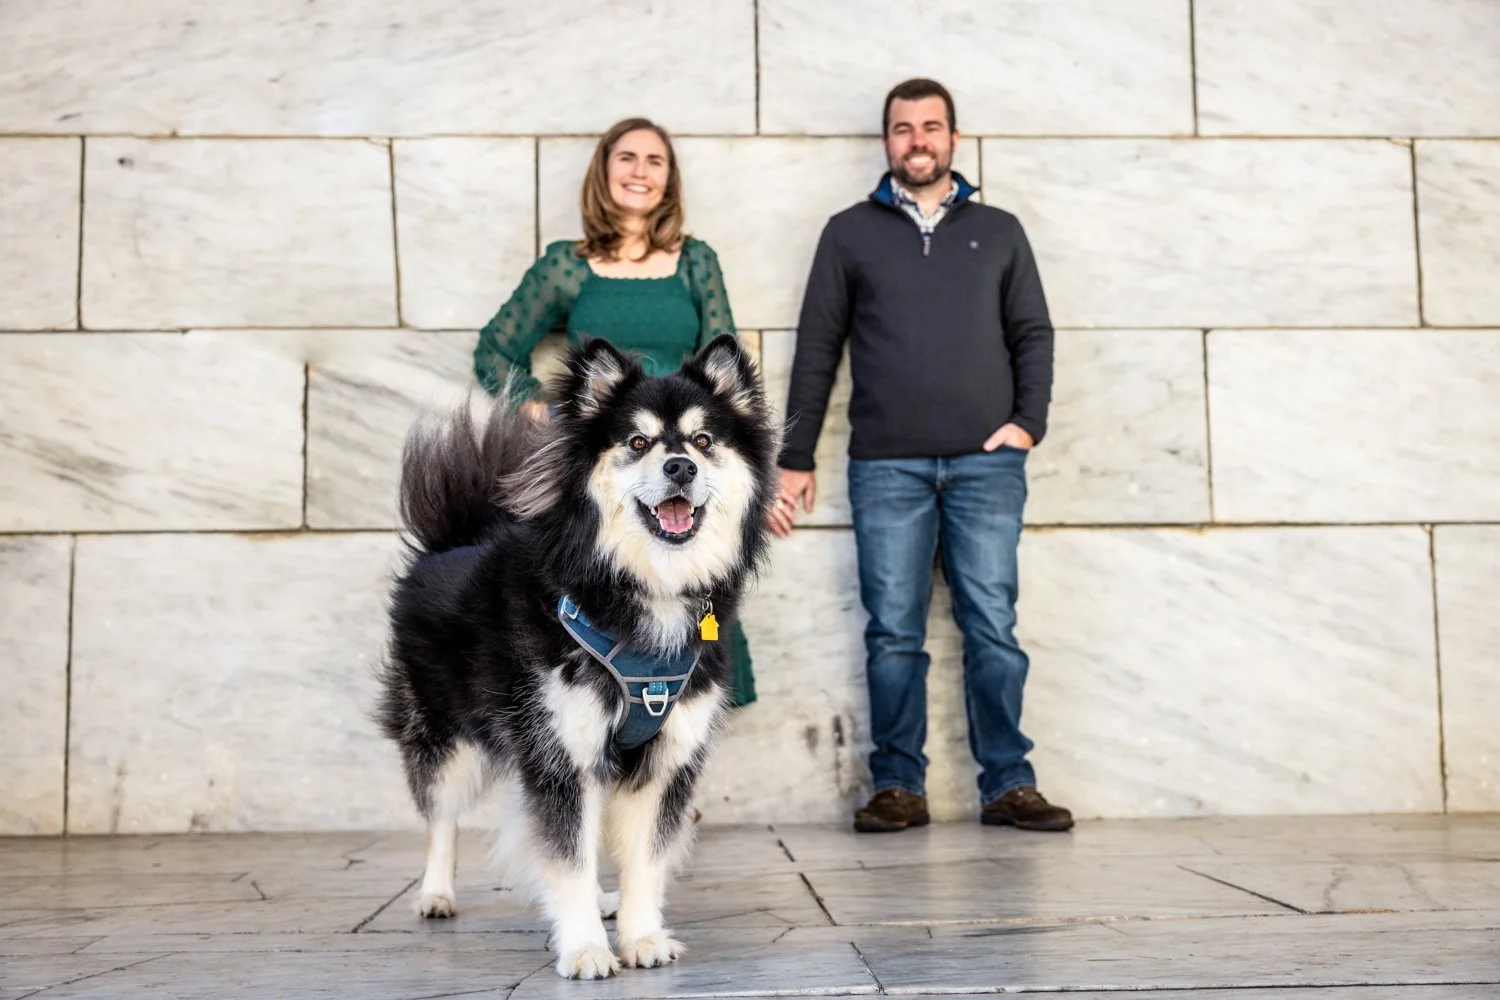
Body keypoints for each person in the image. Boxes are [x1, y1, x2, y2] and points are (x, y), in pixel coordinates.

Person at [768, 79, 1073, 834]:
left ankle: (1009, 785)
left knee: (992, 627)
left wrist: (1027, 422)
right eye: (903, 129)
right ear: (886, 143)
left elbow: (1033, 332)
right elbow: (818, 348)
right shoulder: (848, 234)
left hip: (986, 464)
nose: (918, 141)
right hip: (886, 467)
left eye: (931, 127)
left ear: (954, 140)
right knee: (893, 632)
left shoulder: (999, 229)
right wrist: (795, 454)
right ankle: (897, 786)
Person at [472, 117, 757, 714]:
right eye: (627, 158)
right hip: (617, 463)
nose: (640, 172)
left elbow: (732, 378)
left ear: (669, 180)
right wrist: (543, 411)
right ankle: (592, 748)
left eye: (655, 162)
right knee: (590, 603)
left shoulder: (695, 262)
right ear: (603, 171)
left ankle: (672, 760)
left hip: (687, 457)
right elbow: (495, 349)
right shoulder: (566, 265)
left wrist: (761, 470)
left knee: (702, 612)